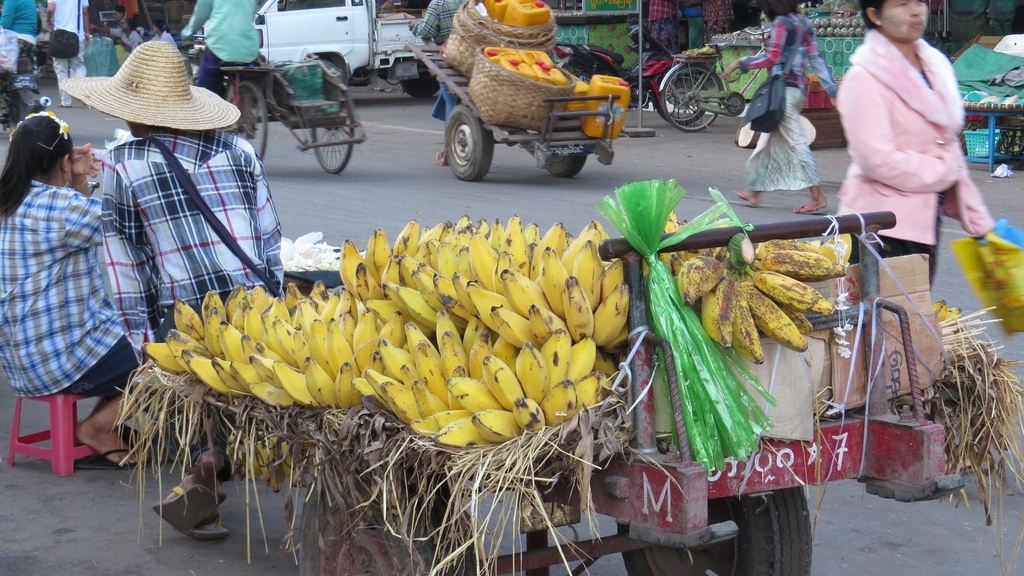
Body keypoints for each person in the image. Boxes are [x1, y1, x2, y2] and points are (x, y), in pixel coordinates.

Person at [61, 42, 283, 540]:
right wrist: (278, 307)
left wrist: (142, 342)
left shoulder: (124, 164)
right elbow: (269, 237)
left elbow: (124, 263)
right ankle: (205, 478)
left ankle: (203, 474)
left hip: (188, 314)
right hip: (255, 303)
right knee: (236, 399)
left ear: (134, 115)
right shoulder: (240, 150)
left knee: (203, 401)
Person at [0, 112, 139, 470]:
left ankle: (99, 425)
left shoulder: (11, 202)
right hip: (63, 361)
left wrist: (74, 179)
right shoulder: (61, 208)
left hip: (23, 361)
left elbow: (78, 226)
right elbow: (129, 227)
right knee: (168, 345)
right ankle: (98, 428)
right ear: (64, 161)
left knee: (118, 333)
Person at [835, 0, 994, 283]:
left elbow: (946, 147)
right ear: (875, 15)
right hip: (880, 228)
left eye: (919, 1)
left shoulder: (934, 65)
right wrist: (942, 170)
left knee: (912, 321)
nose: (916, 10)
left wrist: (979, 222)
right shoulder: (864, 78)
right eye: (902, 4)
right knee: (884, 322)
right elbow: (876, 160)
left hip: (925, 222)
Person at [723, 0, 836, 214]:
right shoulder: (805, 22)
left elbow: (772, 57)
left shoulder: (781, 24)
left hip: (783, 91)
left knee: (796, 143)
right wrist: (831, 90)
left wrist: (742, 62)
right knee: (765, 140)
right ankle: (754, 192)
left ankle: (817, 197)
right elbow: (816, 58)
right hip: (798, 91)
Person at [410, 0, 460, 166]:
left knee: (451, 100)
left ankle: (450, 150)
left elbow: (427, 30)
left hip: (447, 57)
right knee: (455, 98)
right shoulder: (471, 2)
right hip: (471, 58)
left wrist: (415, 24)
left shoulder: (438, 3)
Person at [179, 0, 260, 99]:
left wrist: (187, 33)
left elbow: (200, 16)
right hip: (248, 47)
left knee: (205, 85)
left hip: (220, 44)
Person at [0, 0, 40, 120]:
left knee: (3, 70)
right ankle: (34, 80)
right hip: (30, 42)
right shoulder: (31, 2)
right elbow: (38, 25)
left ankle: (1, 105)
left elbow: (5, 23)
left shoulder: (11, 1)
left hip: (15, 42)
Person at [47, 0, 90, 108]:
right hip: (77, 36)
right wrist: (87, 31)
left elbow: (50, 9)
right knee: (78, 66)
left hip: (59, 36)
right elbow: (85, 12)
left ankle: (66, 101)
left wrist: (48, 20)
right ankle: (81, 93)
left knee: (61, 69)